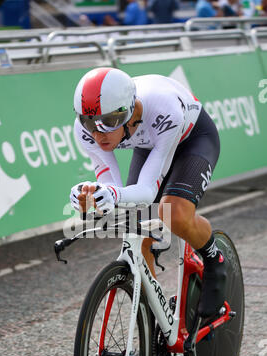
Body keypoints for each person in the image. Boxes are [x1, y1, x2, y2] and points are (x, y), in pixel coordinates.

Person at [70, 67, 227, 328]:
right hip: (148, 144)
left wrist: (112, 194)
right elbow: (111, 186)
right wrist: (93, 196)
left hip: (193, 139)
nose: (97, 135)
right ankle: (151, 325)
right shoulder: (87, 128)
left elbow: (147, 190)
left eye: (108, 123)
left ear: (129, 111)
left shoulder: (163, 107)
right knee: (136, 229)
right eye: (89, 123)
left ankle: (213, 258)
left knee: (174, 213)